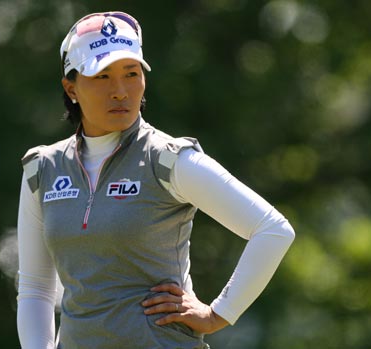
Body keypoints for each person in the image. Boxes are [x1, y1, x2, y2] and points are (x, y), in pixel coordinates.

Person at [16, 11, 295, 349]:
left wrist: (217, 314)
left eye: (131, 73)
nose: (120, 91)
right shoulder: (42, 169)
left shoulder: (168, 159)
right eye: (102, 76)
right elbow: (35, 288)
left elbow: (273, 229)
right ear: (71, 87)